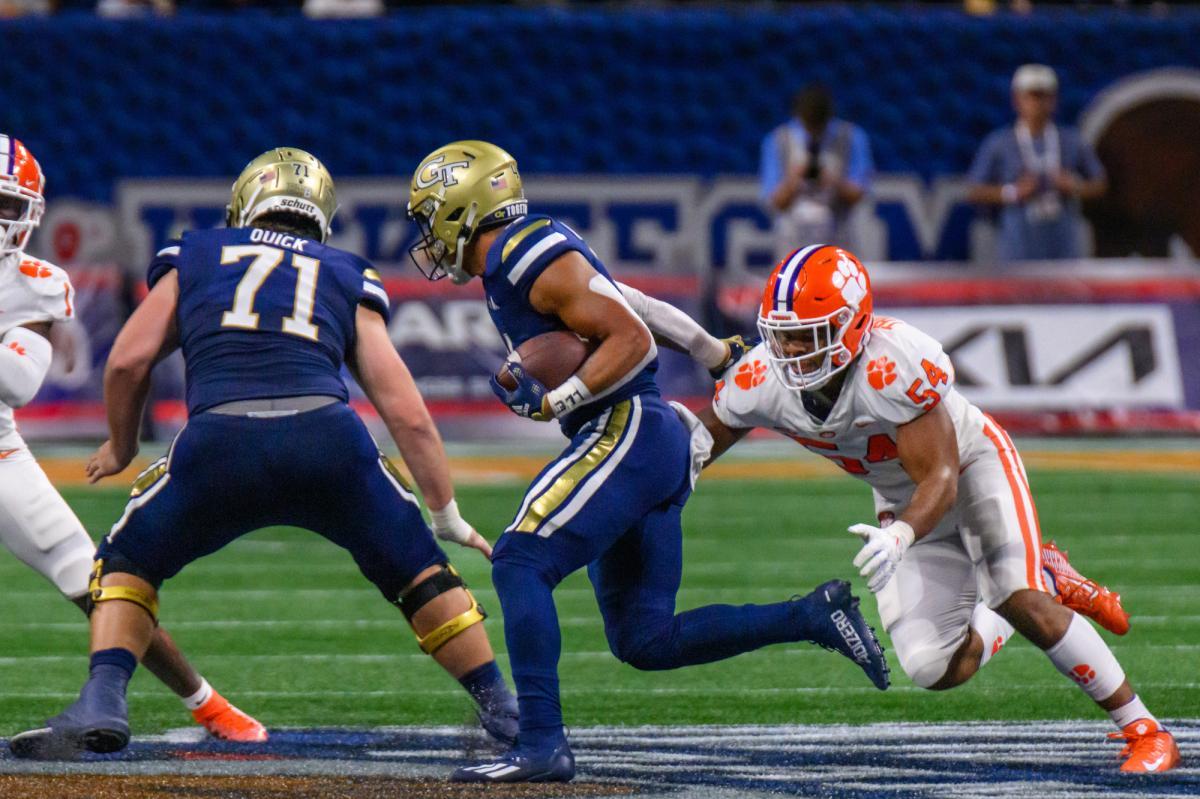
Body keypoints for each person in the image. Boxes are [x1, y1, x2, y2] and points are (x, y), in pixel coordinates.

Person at [405, 140, 891, 784]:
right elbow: (636, 304)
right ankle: (811, 614)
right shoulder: (531, 250)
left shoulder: (523, 256)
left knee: (522, 558)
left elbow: (631, 339)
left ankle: (541, 744)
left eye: (431, 216)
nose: (428, 236)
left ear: (464, 208)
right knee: (645, 640)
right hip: (648, 441)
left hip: (625, 428)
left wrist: (560, 399)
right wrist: (714, 349)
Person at [9, 147, 517, 759]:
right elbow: (406, 411)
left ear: (244, 203)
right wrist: (444, 514)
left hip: (220, 441)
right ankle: (504, 709)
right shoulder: (344, 270)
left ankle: (103, 700)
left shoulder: (195, 253)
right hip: (327, 440)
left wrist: (121, 445)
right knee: (421, 575)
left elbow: (127, 359)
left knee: (124, 565)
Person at [624, 244, 1174, 774]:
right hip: (901, 499)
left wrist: (902, 535)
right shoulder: (761, 379)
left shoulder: (895, 364)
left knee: (1016, 592)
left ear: (853, 325)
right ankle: (1044, 579)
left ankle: (1145, 729)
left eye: (808, 337)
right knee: (932, 667)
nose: (791, 354)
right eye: (783, 338)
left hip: (971, 467)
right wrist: (640, 485)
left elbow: (941, 476)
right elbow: (694, 450)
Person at [0, 135, 267, 745]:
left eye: (5, 205)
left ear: (30, 213)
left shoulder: (35, 281)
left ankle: (208, 705)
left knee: (95, 581)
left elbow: (16, 381)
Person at [967, 64, 1107, 261]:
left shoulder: (1071, 140)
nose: (1039, 103)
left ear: (1055, 100)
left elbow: (1100, 183)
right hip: (1017, 246)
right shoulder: (999, 143)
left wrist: (1074, 185)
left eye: (1045, 96)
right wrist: (1013, 192)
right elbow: (974, 190)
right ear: (1017, 100)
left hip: (1062, 245)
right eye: (1032, 96)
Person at [760, 83, 874, 259]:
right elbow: (775, 201)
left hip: (838, 237)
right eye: (809, 123)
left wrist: (833, 181)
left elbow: (858, 194)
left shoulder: (851, 137)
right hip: (792, 241)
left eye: (818, 125)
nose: (814, 131)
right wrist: (794, 180)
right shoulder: (778, 141)